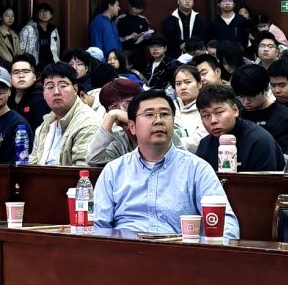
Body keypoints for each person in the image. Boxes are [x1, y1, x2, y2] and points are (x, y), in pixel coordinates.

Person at [90, 87, 239, 237]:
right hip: (125, 247)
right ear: (132, 126)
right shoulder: (114, 170)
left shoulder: (197, 169)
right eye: (149, 114)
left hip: (178, 248)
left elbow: (225, 224)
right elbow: (97, 224)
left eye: (165, 114)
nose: (158, 121)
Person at [193, 84, 282, 172]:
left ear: (235, 110)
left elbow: (265, 180)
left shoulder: (259, 140)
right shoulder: (204, 145)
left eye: (218, 112)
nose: (213, 121)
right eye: (206, 115)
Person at [28, 64, 101, 167]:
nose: (56, 92)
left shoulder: (88, 123)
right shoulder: (44, 126)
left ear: (75, 89)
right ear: (43, 93)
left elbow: (82, 171)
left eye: (62, 86)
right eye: (50, 87)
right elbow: (32, 165)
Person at [19, 3, 63, 68]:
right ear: (37, 15)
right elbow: (21, 48)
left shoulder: (54, 30)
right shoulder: (28, 29)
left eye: (47, 12)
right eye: (41, 11)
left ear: (51, 15)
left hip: (51, 63)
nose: (44, 14)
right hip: (34, 64)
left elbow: (57, 48)